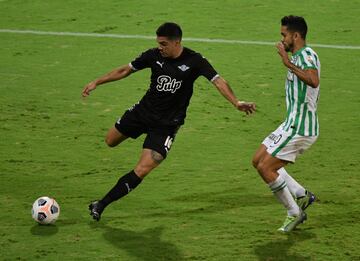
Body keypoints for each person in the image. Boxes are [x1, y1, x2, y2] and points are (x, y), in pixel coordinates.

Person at [82, 22, 256, 221]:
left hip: (166, 125)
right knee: (110, 141)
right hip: (142, 112)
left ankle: (101, 204)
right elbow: (125, 70)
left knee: (143, 168)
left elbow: (218, 81)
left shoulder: (195, 60)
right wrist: (97, 82)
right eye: (158, 43)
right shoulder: (153, 55)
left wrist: (236, 102)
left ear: (177, 42)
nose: (160, 47)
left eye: (164, 44)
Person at [252, 15, 320, 232]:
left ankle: (294, 212)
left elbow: (313, 80)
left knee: (266, 167)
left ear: (296, 35)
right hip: (290, 123)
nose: (282, 40)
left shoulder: (306, 55)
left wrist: (287, 63)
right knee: (257, 160)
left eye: (284, 35)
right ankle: (302, 194)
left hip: (302, 128)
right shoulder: (298, 55)